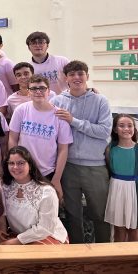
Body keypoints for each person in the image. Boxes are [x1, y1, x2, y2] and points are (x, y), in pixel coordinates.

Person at [50, 60, 112, 243]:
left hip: (95, 167)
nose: (77, 78)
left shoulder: (100, 100)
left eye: (80, 74)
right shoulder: (57, 101)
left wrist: (73, 121)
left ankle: (105, 255)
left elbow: (104, 131)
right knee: (72, 215)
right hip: (68, 166)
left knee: (100, 214)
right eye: (72, 74)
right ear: (66, 78)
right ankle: (76, 255)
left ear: (87, 76)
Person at [9, 75, 72, 201]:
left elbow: (63, 149)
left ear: (49, 91)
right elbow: (12, 139)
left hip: (47, 172)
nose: (38, 91)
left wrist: (57, 178)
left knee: (47, 212)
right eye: (34, 88)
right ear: (29, 92)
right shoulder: (21, 110)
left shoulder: (59, 115)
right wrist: (15, 165)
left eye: (42, 88)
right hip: (23, 171)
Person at [0, 146, 68, 245]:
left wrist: (15, 242)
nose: (15, 167)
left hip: (47, 235)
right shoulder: (3, 187)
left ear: (30, 165)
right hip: (18, 235)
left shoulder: (46, 191)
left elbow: (45, 228)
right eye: (11, 163)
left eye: (21, 163)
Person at [104, 114, 138, 242]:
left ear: (134, 128)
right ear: (115, 129)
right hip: (116, 189)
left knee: (134, 228)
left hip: (134, 190)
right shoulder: (110, 149)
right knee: (119, 228)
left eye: (130, 126)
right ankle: (119, 258)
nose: (126, 129)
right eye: (121, 125)